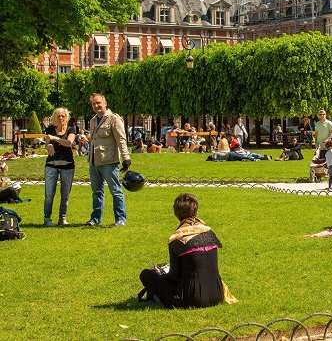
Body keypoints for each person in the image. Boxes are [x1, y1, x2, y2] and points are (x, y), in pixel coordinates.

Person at [138, 193, 236, 308]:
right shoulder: (209, 232)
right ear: (196, 212)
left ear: (175, 214)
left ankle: (158, 297)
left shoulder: (177, 238)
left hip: (190, 299)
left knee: (146, 274)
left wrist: (160, 275)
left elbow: (174, 276)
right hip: (217, 295)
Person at [86, 93, 131, 227]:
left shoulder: (114, 119)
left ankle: (120, 219)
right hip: (94, 161)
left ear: (105, 103)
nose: (96, 106)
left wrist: (126, 158)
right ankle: (95, 219)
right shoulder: (93, 120)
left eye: (98, 103)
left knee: (116, 191)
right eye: (94, 104)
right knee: (97, 192)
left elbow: (121, 139)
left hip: (109, 162)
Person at [43, 107, 76, 227]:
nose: (61, 118)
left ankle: (62, 218)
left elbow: (69, 143)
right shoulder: (50, 129)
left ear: (66, 117)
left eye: (63, 116)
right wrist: (49, 145)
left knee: (65, 194)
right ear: (54, 118)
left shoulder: (71, 129)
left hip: (67, 166)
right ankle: (47, 219)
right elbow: (47, 142)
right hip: (51, 165)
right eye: (58, 116)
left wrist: (54, 138)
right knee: (49, 194)